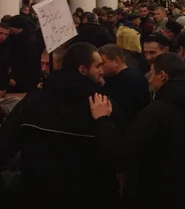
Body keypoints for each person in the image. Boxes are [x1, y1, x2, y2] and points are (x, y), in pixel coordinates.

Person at [0, 42, 120, 209]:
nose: (102, 70)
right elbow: (116, 157)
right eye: (98, 65)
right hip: (88, 195)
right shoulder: (102, 106)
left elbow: (5, 143)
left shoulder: (33, 102)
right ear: (82, 69)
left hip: (37, 194)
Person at [90, 52, 185, 208]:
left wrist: (103, 120)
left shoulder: (154, 114)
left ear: (162, 75)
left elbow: (121, 157)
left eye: (153, 74)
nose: (150, 79)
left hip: (158, 194)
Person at [98, 44, 150, 125]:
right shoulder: (129, 74)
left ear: (116, 61)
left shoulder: (128, 79)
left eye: (102, 63)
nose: (99, 68)